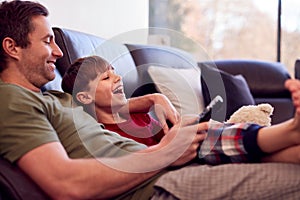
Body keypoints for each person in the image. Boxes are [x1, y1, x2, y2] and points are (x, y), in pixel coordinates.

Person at [0, 1, 300, 199]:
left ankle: (291, 131)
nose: (59, 53)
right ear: (12, 47)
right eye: (47, 41)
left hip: (165, 168)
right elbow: (66, 184)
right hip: (154, 187)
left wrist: (153, 99)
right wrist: (163, 152)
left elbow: (104, 104)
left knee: (212, 135)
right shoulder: (12, 101)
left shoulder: (55, 98)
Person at [62, 55, 300, 165]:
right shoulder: (106, 134)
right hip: (175, 161)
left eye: (114, 70)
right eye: (105, 77)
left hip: (185, 148)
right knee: (211, 137)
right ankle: (291, 129)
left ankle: (293, 143)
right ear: (84, 97)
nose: (116, 78)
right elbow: (144, 157)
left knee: (217, 131)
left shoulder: (136, 114)